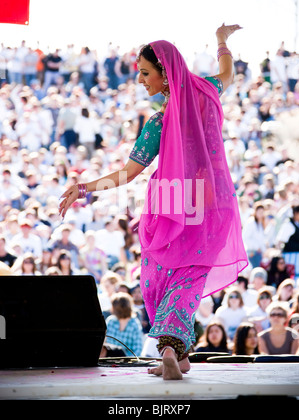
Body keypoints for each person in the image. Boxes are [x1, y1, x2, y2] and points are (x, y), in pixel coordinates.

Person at [59, 24, 248, 380]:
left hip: (175, 206)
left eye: (146, 73)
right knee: (189, 279)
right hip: (214, 207)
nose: (142, 80)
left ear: (166, 73)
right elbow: (229, 73)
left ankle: (167, 351)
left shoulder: (159, 123)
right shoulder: (208, 91)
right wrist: (221, 40)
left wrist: (84, 188)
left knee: (162, 278)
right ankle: (179, 353)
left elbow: (128, 173)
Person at [103, 292, 144, 357]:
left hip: (128, 362)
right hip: (110, 360)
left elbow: (138, 349)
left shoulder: (134, 323)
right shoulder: (110, 321)